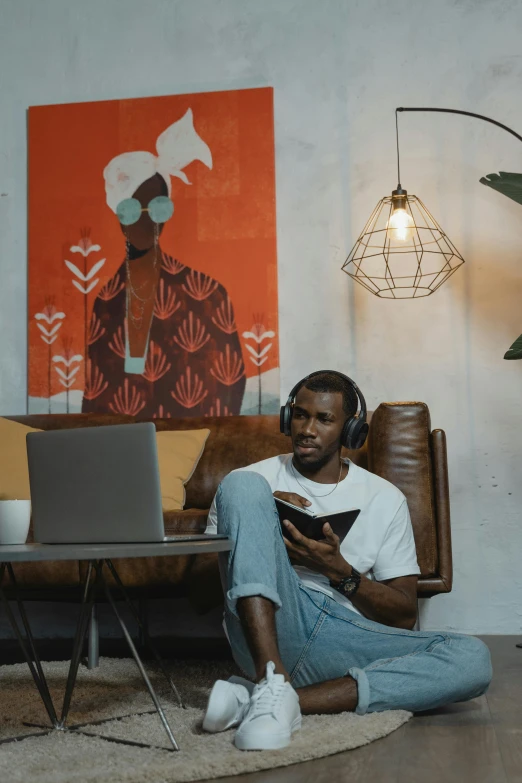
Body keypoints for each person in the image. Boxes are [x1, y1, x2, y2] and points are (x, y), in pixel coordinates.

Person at [202, 371, 492, 751]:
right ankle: (270, 675)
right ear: (288, 418)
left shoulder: (383, 499)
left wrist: (338, 571)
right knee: (241, 486)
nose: (307, 429)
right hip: (268, 624)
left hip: (341, 634)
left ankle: (264, 698)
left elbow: (404, 615)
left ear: (351, 431)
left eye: (324, 419)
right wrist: (260, 517)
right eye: (301, 415)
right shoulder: (250, 481)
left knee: (473, 658)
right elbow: (203, 592)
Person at [82, 109, 246, 418]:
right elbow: (93, 399)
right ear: (117, 213)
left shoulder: (208, 295)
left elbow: (230, 389)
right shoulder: (105, 303)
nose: (146, 220)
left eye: (157, 207)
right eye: (132, 208)